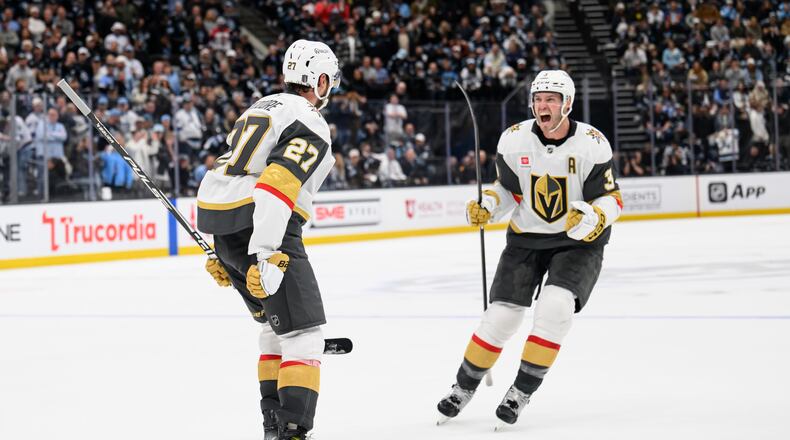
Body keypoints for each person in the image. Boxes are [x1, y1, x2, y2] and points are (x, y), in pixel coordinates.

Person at [436, 70, 623, 427]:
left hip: (578, 243)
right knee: (501, 316)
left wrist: (596, 217)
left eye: (551, 99)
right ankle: (463, 386)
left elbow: (611, 198)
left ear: (567, 104)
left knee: (555, 308)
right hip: (526, 237)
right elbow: (508, 190)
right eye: (538, 99)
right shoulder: (514, 140)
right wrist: (489, 204)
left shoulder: (592, 144)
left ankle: (521, 391)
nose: (543, 105)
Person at [196, 39, 340, 440]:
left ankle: (272, 428)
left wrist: (223, 247)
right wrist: (267, 252)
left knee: (275, 329)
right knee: (304, 335)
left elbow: (225, 172)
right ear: (321, 80)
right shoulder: (309, 117)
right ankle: (292, 431)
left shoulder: (262, 105)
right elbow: (277, 184)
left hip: (224, 222)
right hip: (263, 223)